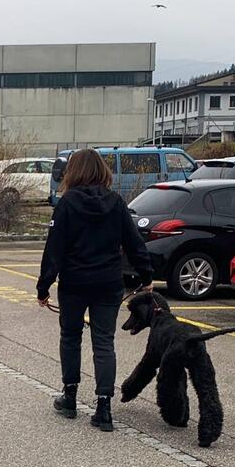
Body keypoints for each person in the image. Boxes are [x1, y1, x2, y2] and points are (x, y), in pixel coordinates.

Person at [36, 147, 152, 432]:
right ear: (102, 170)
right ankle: (103, 407)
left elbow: (54, 249)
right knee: (104, 342)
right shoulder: (116, 202)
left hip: (74, 283)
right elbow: (134, 242)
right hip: (108, 283)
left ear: (73, 172)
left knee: (70, 337)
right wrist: (146, 275)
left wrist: (44, 286)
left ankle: (70, 396)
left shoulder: (66, 204)